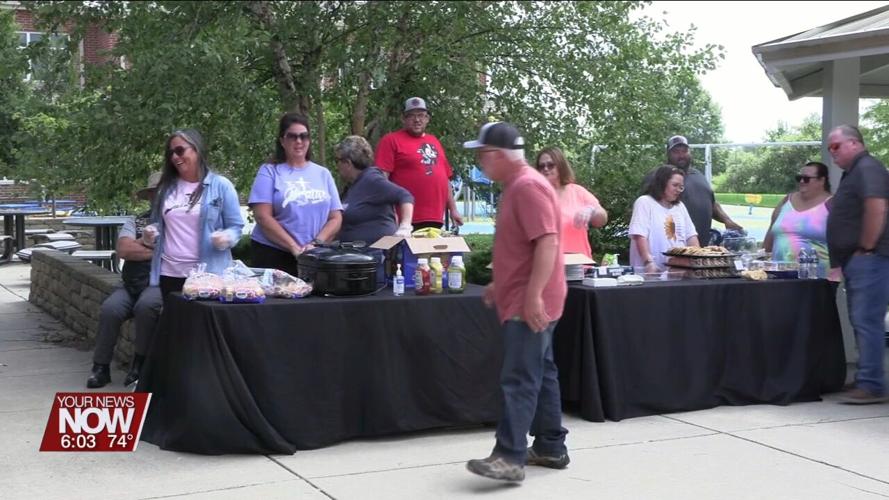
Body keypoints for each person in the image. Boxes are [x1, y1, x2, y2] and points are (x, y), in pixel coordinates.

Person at [463, 122, 568, 483]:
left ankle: (509, 456)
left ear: (497, 155)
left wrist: (533, 296)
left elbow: (547, 242)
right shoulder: (519, 186)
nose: (479, 161)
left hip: (530, 301)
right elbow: (523, 246)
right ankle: (551, 446)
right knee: (543, 372)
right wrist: (500, 281)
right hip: (528, 293)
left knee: (519, 378)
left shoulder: (526, 187)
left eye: (481, 155)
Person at [826, 124, 889, 404]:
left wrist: (866, 246)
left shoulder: (867, 167)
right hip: (858, 260)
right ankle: (867, 376)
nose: (832, 153)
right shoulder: (853, 173)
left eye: (836, 146)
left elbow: (877, 207)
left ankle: (872, 385)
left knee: (866, 320)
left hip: (870, 259)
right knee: (861, 319)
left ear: (854, 143)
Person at [145, 129, 244, 300]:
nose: (175, 157)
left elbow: (236, 228)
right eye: (171, 153)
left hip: (209, 275)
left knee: (203, 325)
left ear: (196, 149)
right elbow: (156, 224)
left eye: (180, 150)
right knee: (176, 325)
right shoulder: (165, 189)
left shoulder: (221, 185)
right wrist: (150, 233)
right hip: (170, 274)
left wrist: (225, 237)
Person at [86, 172, 164, 388]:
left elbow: (178, 252)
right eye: (154, 193)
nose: (158, 197)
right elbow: (123, 250)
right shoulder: (137, 220)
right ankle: (100, 367)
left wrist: (142, 247)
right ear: (149, 196)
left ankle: (139, 365)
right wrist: (156, 249)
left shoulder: (179, 221)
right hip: (130, 283)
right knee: (110, 309)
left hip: (158, 282)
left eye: (164, 192)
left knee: (147, 306)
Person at [249, 113, 343, 277]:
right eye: (292, 136)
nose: (299, 141)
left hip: (314, 255)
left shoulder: (323, 174)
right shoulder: (269, 171)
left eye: (304, 136)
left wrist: (316, 244)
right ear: (282, 141)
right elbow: (263, 217)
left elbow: (336, 217)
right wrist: (293, 247)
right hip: (274, 254)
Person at [374, 97, 463, 230]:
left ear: (427, 119)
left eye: (421, 115)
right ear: (403, 119)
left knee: (431, 251)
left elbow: (445, 179)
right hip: (404, 219)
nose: (417, 120)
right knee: (405, 251)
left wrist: (453, 209)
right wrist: (388, 212)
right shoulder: (391, 140)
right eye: (411, 116)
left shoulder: (434, 141)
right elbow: (381, 180)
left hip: (435, 217)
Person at [643, 135, 743, 245]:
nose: (681, 155)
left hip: (700, 247)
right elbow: (645, 211)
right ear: (668, 154)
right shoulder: (658, 176)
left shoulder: (698, 175)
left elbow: (711, 203)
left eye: (684, 151)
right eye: (676, 151)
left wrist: (727, 220)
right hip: (673, 248)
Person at [335, 135, 415, 244]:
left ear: (348, 163)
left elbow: (404, 196)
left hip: (376, 254)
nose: (337, 166)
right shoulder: (352, 186)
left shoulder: (371, 178)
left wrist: (405, 227)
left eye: (338, 161)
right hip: (354, 253)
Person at [763, 161, 834, 279]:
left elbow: (844, 241)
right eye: (799, 178)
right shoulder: (787, 201)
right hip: (779, 276)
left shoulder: (832, 204)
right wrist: (762, 260)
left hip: (818, 279)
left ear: (822, 180)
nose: (801, 181)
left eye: (806, 179)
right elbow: (770, 233)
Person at [535, 146, 608, 260]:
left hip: (579, 265)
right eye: (541, 166)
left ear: (560, 166)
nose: (545, 169)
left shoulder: (577, 191)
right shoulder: (534, 196)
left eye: (550, 165)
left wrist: (591, 210)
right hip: (547, 265)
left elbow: (602, 218)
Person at [630, 165, 700, 272]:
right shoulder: (644, 202)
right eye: (675, 185)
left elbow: (691, 237)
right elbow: (640, 235)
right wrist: (648, 262)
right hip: (650, 274)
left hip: (676, 273)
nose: (678, 190)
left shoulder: (680, 206)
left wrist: (698, 261)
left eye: (681, 187)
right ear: (662, 183)